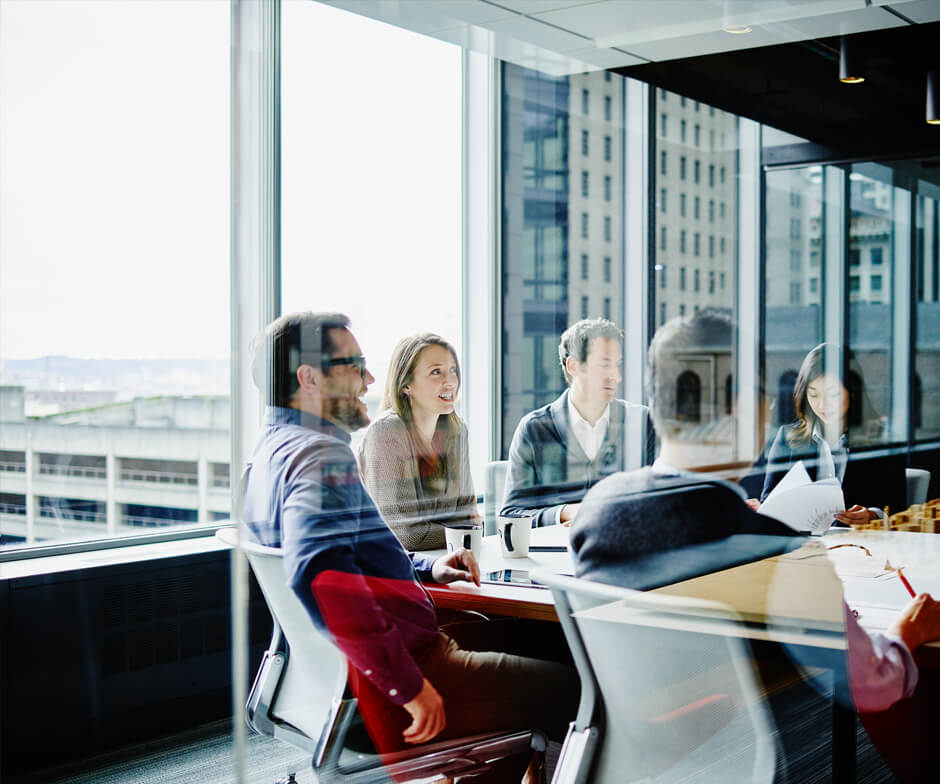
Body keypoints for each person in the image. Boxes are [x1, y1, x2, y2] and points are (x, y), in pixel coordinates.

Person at [570, 311, 940, 778]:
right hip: (770, 761)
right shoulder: (774, 550)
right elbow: (870, 686)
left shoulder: (596, 510)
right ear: (748, 408)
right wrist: (909, 632)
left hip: (638, 764)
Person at [241, 312, 578, 782]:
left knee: (540, 642)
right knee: (581, 685)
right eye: (355, 365)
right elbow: (319, 576)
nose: (370, 378)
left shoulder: (268, 457)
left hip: (346, 681)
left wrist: (427, 567)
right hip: (407, 675)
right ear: (310, 378)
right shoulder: (318, 457)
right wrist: (408, 685)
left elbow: (355, 553)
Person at [501, 318, 650, 528]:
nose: (616, 376)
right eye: (605, 365)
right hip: (556, 556)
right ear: (574, 366)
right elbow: (510, 516)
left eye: (617, 365)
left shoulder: (643, 422)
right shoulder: (534, 429)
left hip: (628, 551)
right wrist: (564, 513)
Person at [753, 343, 905, 525]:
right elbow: (769, 500)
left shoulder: (882, 437)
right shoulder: (788, 437)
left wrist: (873, 515)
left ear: (852, 391)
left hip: (858, 543)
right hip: (801, 542)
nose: (823, 405)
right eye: (814, 395)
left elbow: (899, 505)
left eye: (832, 395)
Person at [358, 334, 479, 551]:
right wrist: (462, 531)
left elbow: (470, 517)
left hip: (448, 561)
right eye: (436, 372)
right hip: (393, 570)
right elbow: (407, 536)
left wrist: (462, 529)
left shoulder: (456, 431)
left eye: (453, 370)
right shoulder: (386, 432)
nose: (450, 381)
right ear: (406, 386)